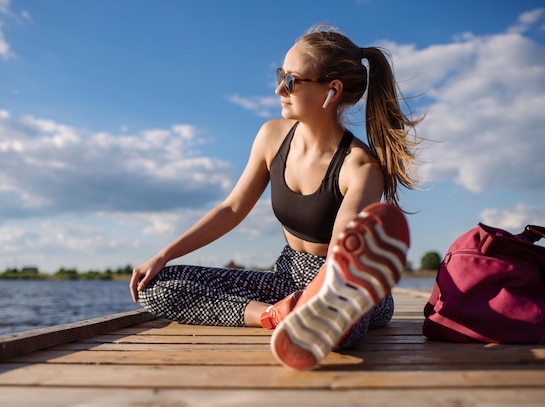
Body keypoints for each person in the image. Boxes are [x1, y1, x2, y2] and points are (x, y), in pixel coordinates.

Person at [129, 24, 422, 370]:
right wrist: (163, 255)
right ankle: (274, 316)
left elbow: (344, 245)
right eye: (281, 75)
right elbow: (232, 208)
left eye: (292, 81)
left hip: (343, 285)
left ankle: (317, 315)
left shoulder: (359, 167)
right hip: (285, 277)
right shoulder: (271, 137)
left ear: (332, 90)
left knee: (347, 324)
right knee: (155, 287)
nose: (278, 88)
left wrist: (325, 289)